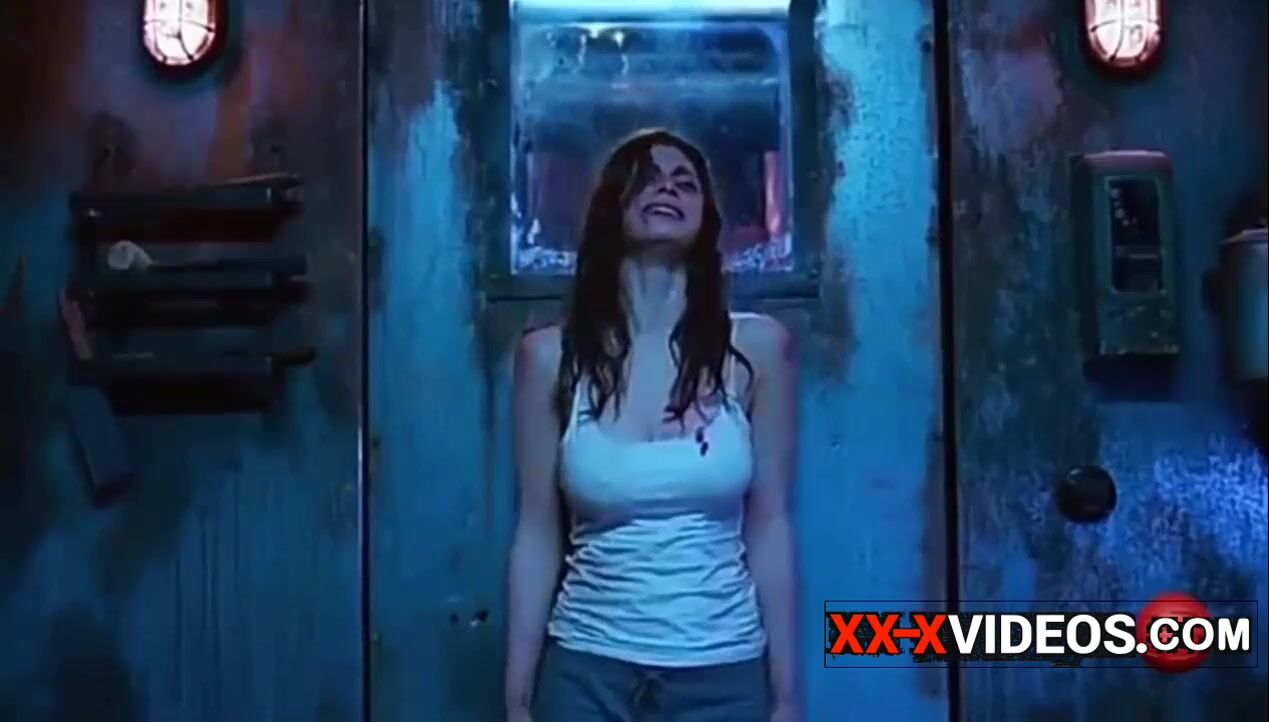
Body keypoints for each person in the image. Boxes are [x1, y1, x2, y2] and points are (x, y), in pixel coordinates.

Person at [504, 128, 801, 722]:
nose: (667, 188)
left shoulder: (758, 349)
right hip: (587, 672)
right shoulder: (550, 358)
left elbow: (770, 526)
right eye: (647, 178)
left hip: (723, 676)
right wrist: (516, 701)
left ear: (706, 217)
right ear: (612, 206)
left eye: (684, 182)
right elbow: (536, 534)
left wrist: (787, 697)